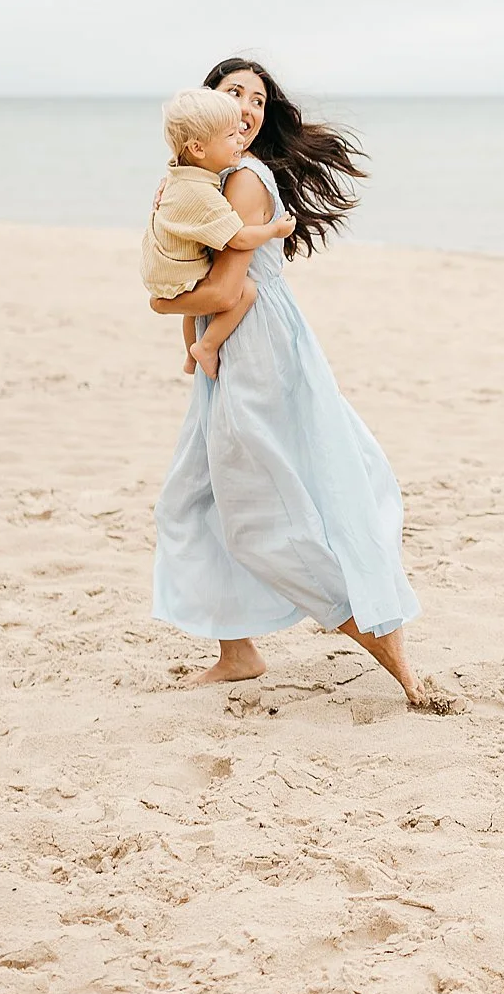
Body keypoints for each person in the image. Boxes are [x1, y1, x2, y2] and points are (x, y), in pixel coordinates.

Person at [147, 57, 447, 710]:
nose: (248, 108)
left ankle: (396, 659)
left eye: (257, 98)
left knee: (266, 515)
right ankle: (238, 651)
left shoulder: (246, 181)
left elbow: (229, 288)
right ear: (207, 112)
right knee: (191, 499)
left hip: (255, 356)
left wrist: (163, 306)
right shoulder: (207, 181)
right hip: (229, 353)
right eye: (234, 94)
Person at [142, 87, 296, 379]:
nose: (240, 130)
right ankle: (206, 347)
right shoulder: (207, 193)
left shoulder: (183, 172)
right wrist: (275, 229)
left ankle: (191, 355)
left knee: (193, 310)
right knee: (247, 290)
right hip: (178, 277)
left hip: (164, 270)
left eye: (257, 100)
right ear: (198, 148)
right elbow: (238, 239)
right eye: (234, 94)